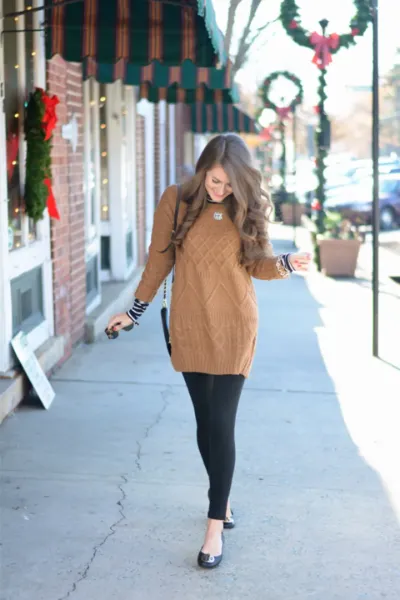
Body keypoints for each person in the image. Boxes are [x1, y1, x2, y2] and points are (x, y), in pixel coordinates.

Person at [106, 133, 311, 569]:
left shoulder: (247, 207)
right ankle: (224, 492)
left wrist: (287, 264)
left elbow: (258, 264)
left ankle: (215, 522)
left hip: (236, 324)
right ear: (203, 172)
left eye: (228, 184)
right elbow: (158, 261)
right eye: (215, 181)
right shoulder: (177, 201)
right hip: (191, 324)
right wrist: (134, 312)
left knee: (222, 421)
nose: (221, 190)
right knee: (205, 422)